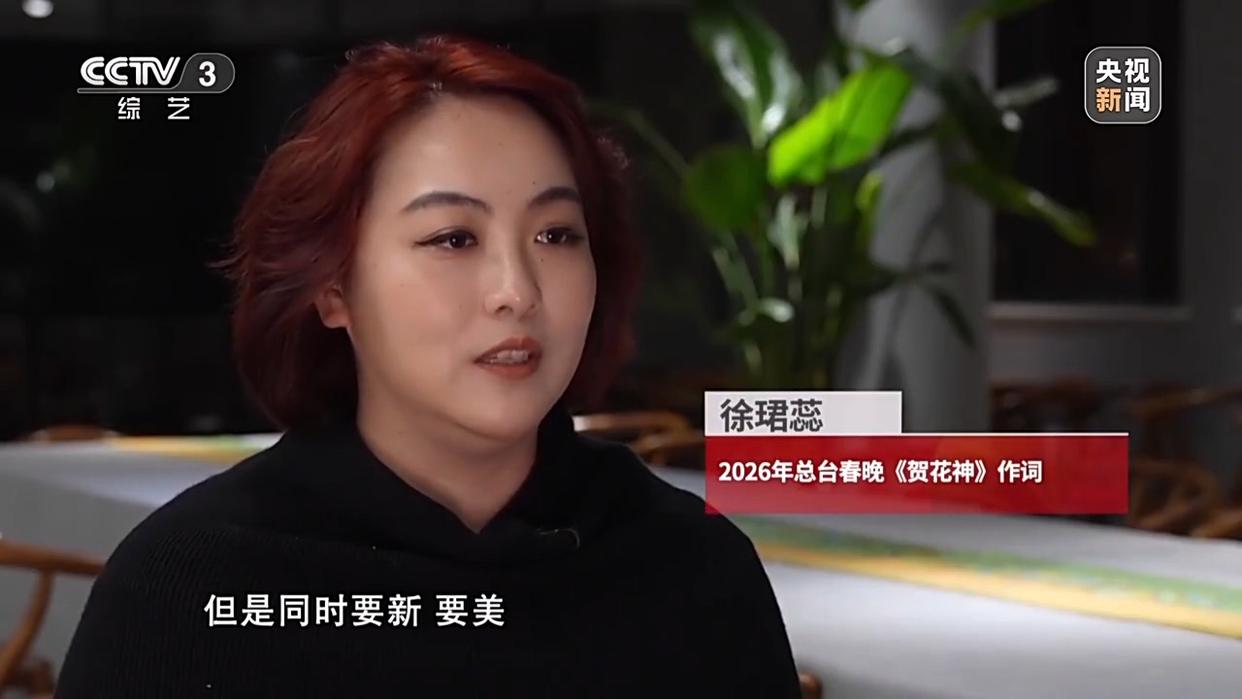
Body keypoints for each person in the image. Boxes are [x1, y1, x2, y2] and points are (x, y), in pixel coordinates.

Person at [56, 35, 803, 698]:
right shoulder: (192, 588)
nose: (517, 290)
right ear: (333, 286)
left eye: (555, 234)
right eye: (453, 238)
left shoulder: (691, 568)